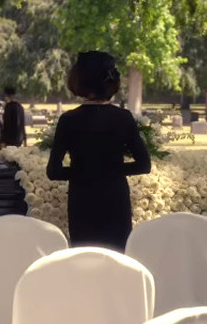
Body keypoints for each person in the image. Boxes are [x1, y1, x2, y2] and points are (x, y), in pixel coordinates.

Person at [46, 51, 151, 252]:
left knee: (84, 260)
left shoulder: (69, 120)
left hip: (82, 201)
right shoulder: (123, 118)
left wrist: (84, 171)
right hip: (115, 199)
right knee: (118, 258)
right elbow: (144, 165)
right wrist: (111, 170)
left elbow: (53, 172)